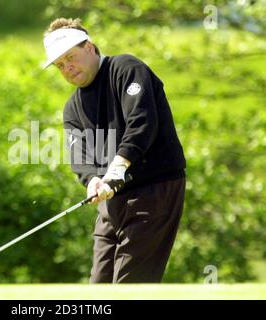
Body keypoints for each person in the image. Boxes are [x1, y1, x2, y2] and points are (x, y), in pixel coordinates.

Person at [42, 18, 186, 283]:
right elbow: (80, 158)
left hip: (154, 191)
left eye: (70, 57)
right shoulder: (72, 109)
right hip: (111, 201)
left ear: (90, 47)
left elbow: (142, 123)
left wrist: (117, 168)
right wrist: (92, 180)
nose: (67, 68)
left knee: (129, 286)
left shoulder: (125, 69)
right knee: (99, 287)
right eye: (60, 65)